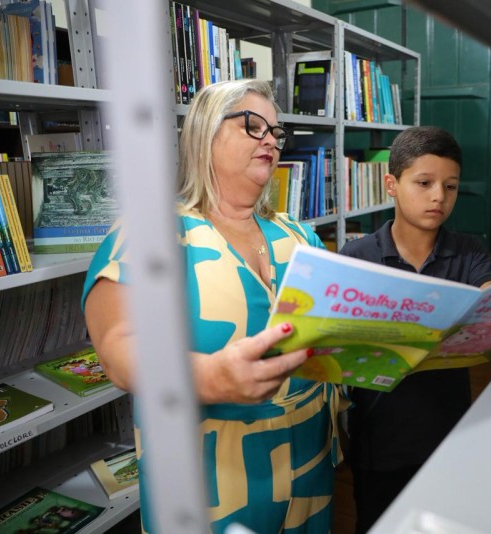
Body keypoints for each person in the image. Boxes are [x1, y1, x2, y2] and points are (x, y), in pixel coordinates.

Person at [83, 79, 344, 533]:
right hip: (209, 487)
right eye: (253, 125)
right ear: (205, 131)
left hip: (309, 469)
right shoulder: (156, 234)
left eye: (277, 133)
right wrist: (209, 377)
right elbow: (117, 349)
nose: (269, 140)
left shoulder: (299, 234)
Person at [339, 126, 491, 532]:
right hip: (379, 442)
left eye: (450, 186)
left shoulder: (467, 251)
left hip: (447, 435)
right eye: (424, 183)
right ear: (391, 184)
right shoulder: (357, 258)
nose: (439, 197)